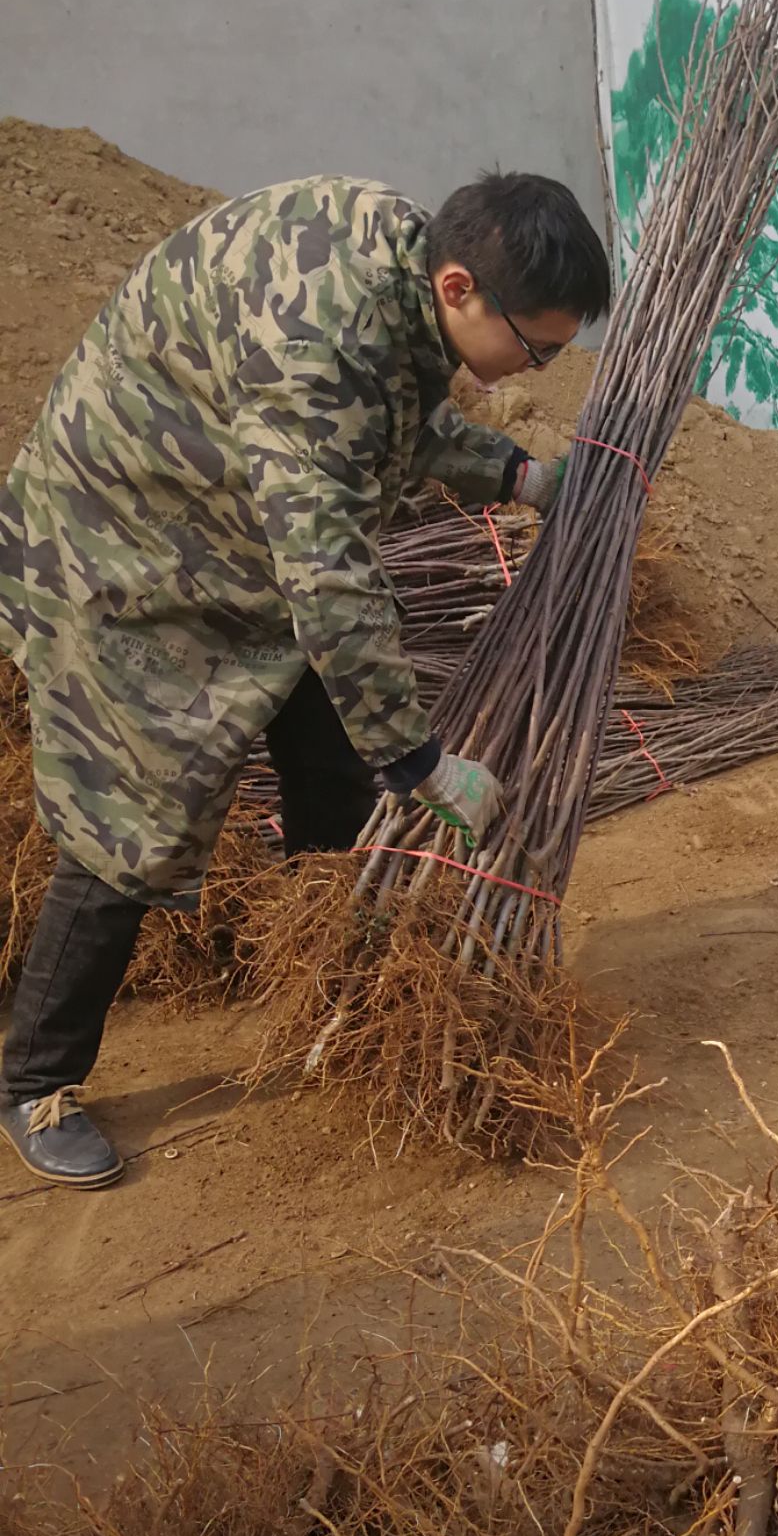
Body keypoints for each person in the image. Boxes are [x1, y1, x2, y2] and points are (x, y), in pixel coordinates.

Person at [0, 169, 610, 1189]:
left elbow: (391, 424)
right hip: (124, 549)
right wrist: (421, 763)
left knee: (331, 754)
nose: (538, 365)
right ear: (461, 286)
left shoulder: (398, 264)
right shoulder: (319, 344)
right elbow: (328, 570)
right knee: (137, 818)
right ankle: (34, 1079)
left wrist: (516, 474)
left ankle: (335, 982)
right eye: (537, 345)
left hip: (231, 524)